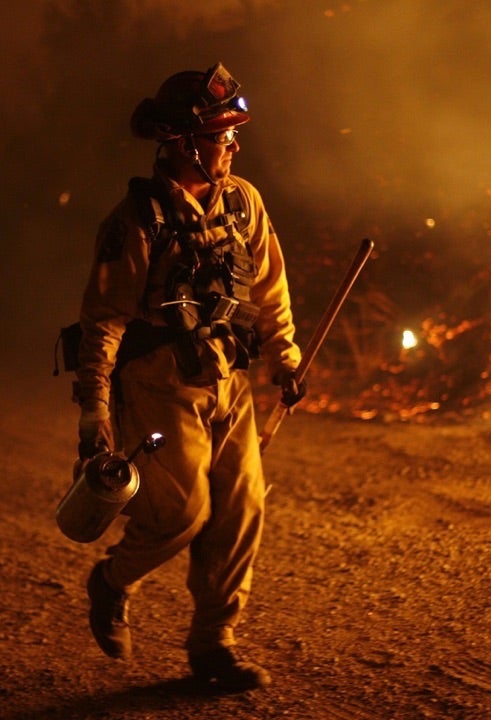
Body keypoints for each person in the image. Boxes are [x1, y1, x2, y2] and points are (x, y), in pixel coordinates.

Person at [72, 62, 304, 692]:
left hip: (228, 377)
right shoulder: (134, 222)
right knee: (180, 513)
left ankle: (213, 644)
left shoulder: (243, 202)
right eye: (221, 134)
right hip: (158, 385)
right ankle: (113, 580)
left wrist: (285, 358)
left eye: (233, 132)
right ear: (181, 143)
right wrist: (94, 412)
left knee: (241, 507)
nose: (233, 144)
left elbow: (270, 287)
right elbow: (103, 324)